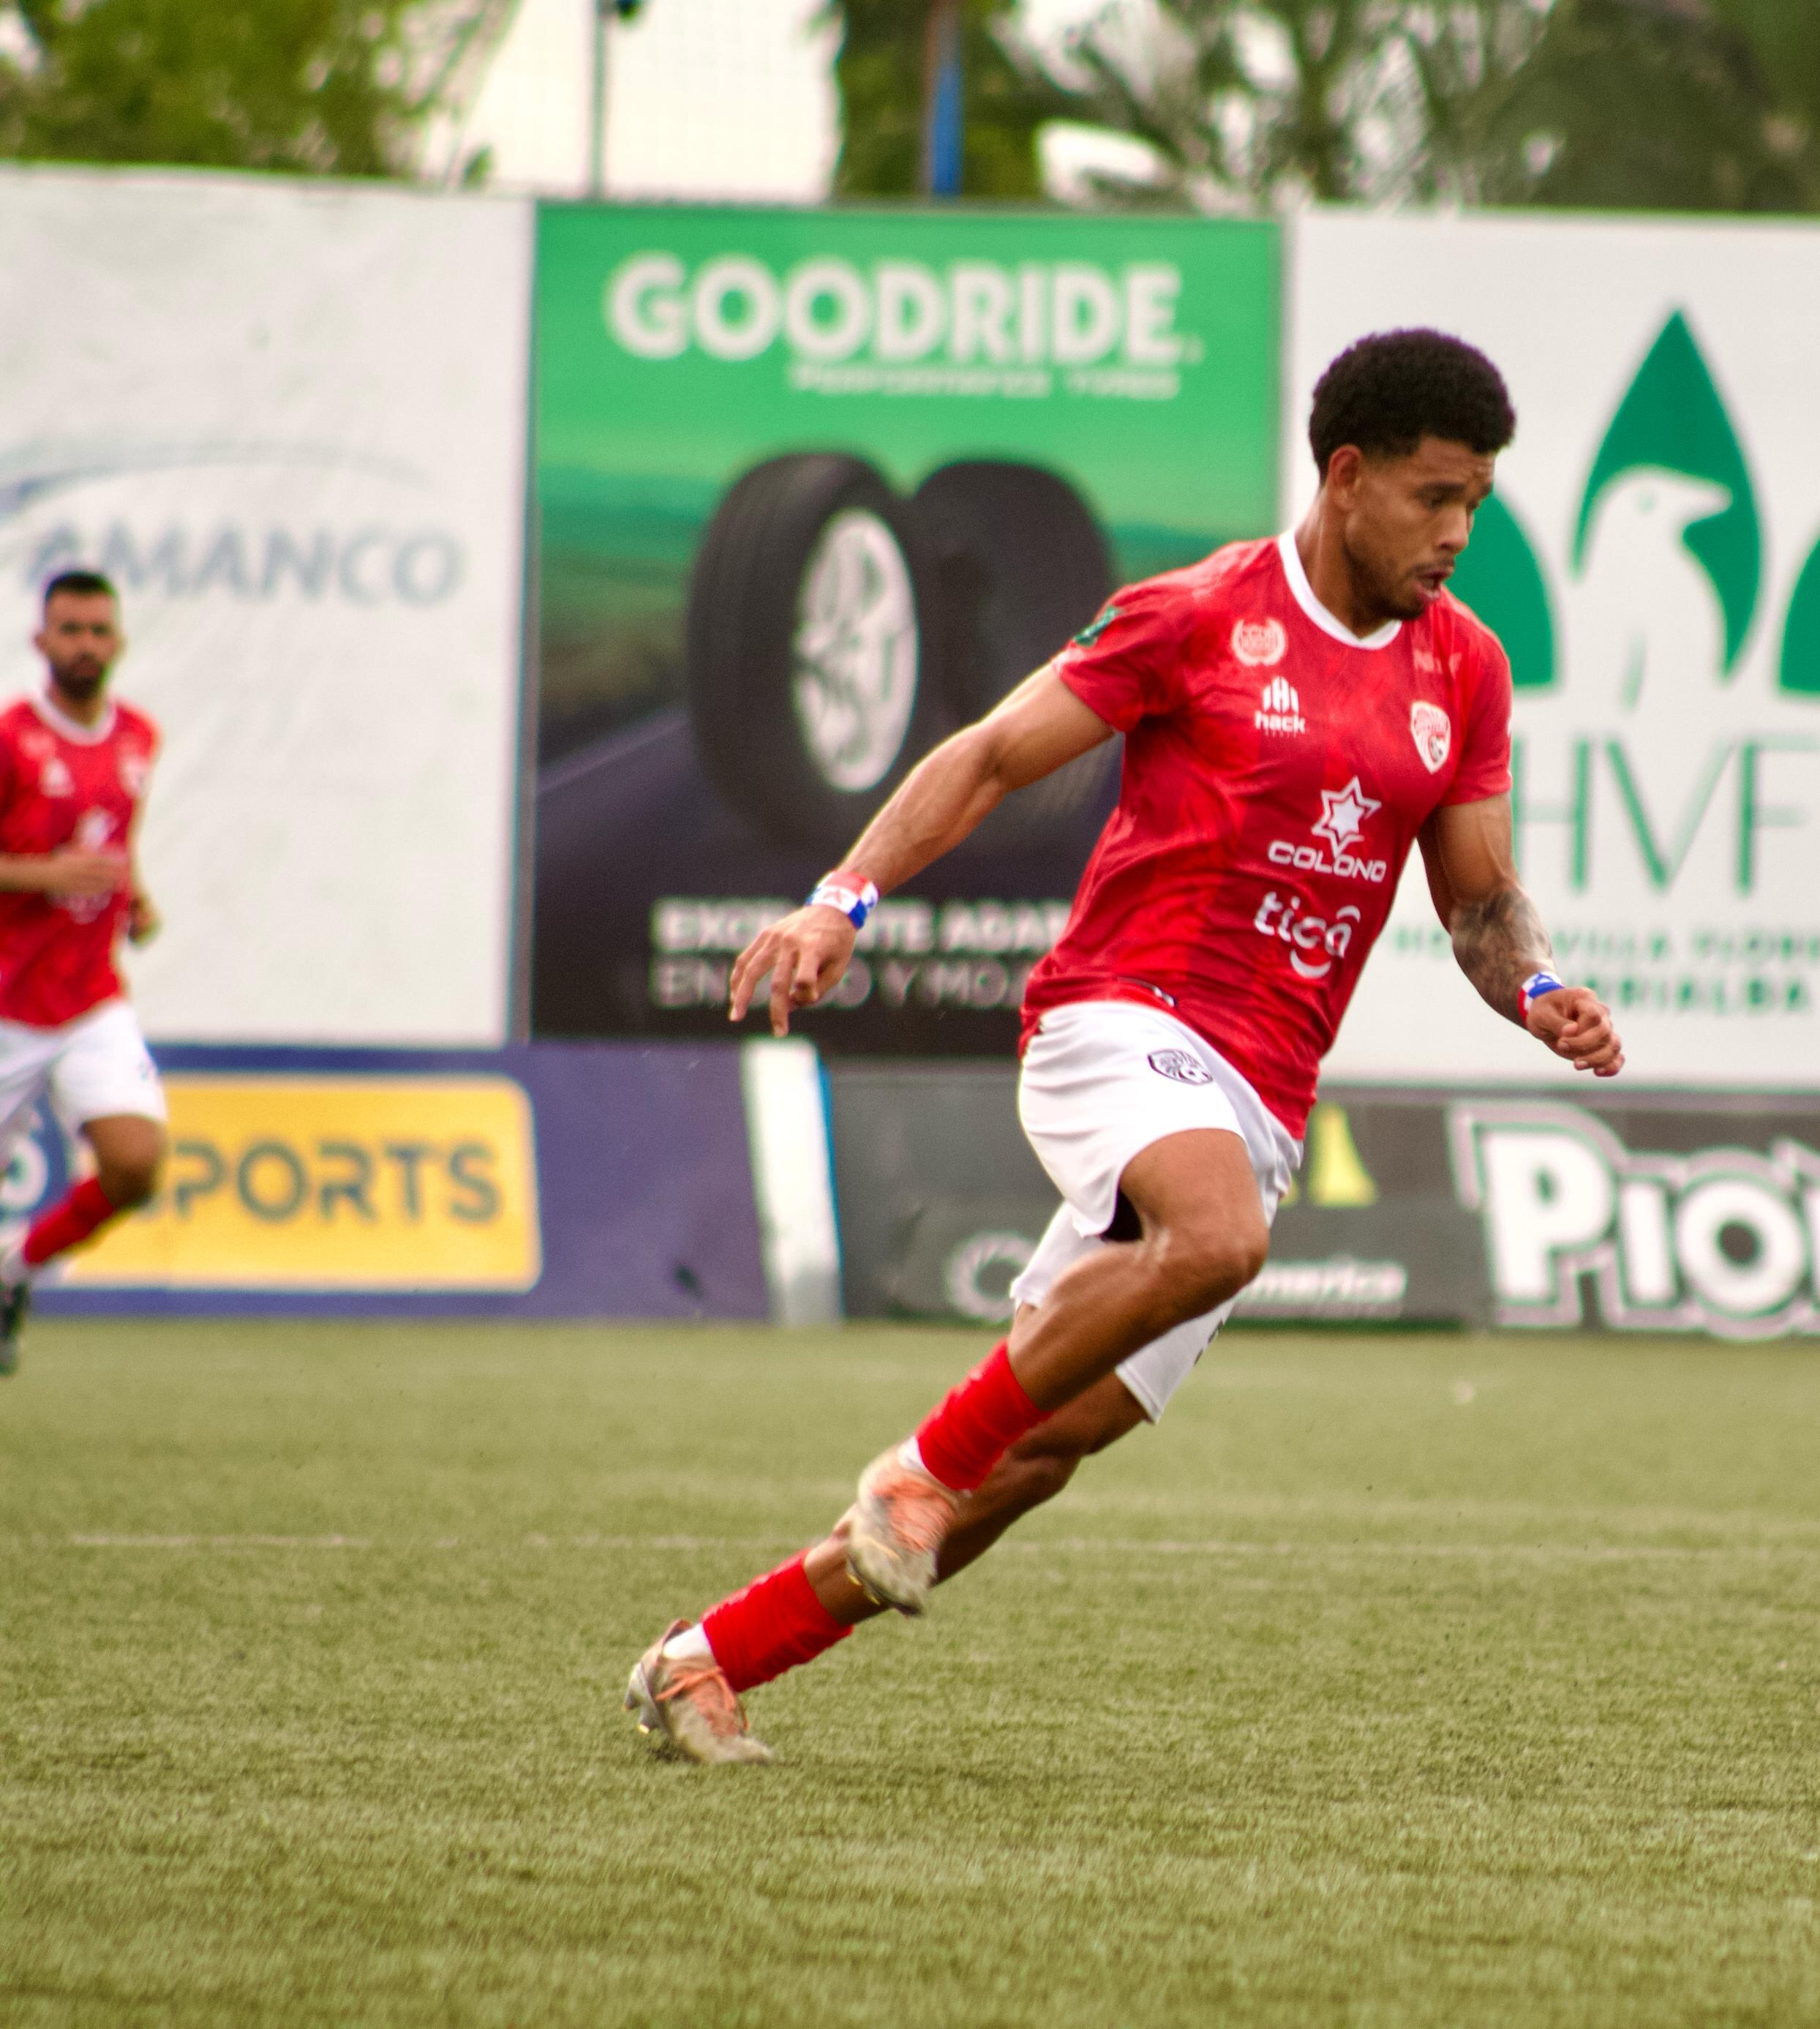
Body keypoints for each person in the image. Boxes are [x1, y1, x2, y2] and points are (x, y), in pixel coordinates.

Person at [625, 330, 1626, 1764]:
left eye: (1477, 502)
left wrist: (1540, 993)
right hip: (1122, 1020)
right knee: (1210, 1248)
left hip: (1261, 1098)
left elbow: (1477, 904)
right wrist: (842, 898)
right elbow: (984, 754)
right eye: (1432, 497)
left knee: (1032, 1459)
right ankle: (918, 1466)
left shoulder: (1462, 670)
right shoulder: (1199, 611)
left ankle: (709, 1660)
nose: (1458, 532)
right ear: (1345, 479)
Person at [0, 570, 168, 1375]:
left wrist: (133, 898)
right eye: (70, 630)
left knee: (136, 1163)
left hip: (90, 1001)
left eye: (99, 630)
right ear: (41, 641)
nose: (86, 645)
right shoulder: (11, 740)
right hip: (7, 1003)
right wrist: (45, 876)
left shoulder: (139, 737)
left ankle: (12, 1271)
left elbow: (110, 843)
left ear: (120, 641)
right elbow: (54, 862)